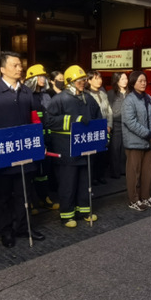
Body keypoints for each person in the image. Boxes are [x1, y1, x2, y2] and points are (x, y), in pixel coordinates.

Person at [0, 51, 45, 247]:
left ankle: (23, 227)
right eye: (15, 65)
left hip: (24, 151)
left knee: (24, 193)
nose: (20, 68)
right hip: (1, 154)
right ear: (2, 69)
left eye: (20, 65)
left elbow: (35, 119)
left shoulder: (26, 92)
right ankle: (5, 231)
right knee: (2, 196)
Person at [45, 65, 101, 226]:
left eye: (84, 80)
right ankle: (67, 215)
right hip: (66, 150)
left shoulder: (88, 99)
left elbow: (98, 117)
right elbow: (49, 121)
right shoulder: (59, 99)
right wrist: (73, 120)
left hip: (85, 148)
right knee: (68, 184)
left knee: (85, 182)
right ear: (69, 82)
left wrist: (102, 135)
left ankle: (84, 210)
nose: (83, 83)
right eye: (79, 80)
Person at [121, 70, 151, 210]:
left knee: (147, 172)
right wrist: (148, 134)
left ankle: (145, 197)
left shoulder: (148, 98)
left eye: (145, 81)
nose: (143, 83)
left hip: (148, 142)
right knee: (134, 173)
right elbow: (130, 122)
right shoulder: (129, 100)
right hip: (134, 142)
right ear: (133, 83)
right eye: (140, 81)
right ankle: (133, 200)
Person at [23, 63, 57, 213]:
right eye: (40, 76)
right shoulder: (26, 96)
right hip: (32, 138)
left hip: (47, 137)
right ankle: (31, 201)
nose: (43, 79)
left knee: (44, 170)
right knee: (31, 171)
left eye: (44, 76)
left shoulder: (46, 95)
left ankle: (44, 198)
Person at [87, 70, 113, 185]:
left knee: (103, 153)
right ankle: (93, 177)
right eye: (96, 78)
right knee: (94, 154)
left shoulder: (103, 93)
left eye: (100, 78)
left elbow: (109, 111)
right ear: (89, 81)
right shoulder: (87, 95)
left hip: (104, 127)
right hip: (93, 128)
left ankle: (100, 175)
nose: (99, 80)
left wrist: (109, 125)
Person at [107, 71, 129, 179]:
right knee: (115, 148)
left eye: (126, 78)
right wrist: (109, 124)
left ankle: (124, 170)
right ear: (117, 81)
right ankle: (115, 172)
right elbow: (108, 110)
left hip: (128, 124)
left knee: (125, 148)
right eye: (122, 79)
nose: (125, 81)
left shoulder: (130, 92)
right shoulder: (111, 93)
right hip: (116, 123)